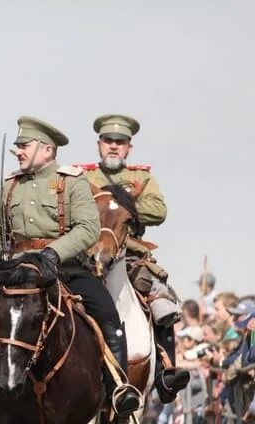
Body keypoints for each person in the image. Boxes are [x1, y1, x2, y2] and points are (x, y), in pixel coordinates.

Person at [0, 116, 140, 424]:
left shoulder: (72, 182)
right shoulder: (11, 185)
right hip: (18, 270)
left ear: (47, 150)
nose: (19, 152)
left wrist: (54, 252)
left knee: (106, 312)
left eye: (24, 146)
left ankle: (119, 388)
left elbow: (88, 228)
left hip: (64, 268)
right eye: (18, 146)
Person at [77, 114, 188, 403]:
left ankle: (166, 371)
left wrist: (117, 205)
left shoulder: (142, 178)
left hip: (131, 257)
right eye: (108, 141)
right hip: (89, 256)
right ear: (99, 145)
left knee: (162, 300)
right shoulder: (83, 178)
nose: (113, 147)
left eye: (120, 142)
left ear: (129, 148)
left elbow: (158, 211)